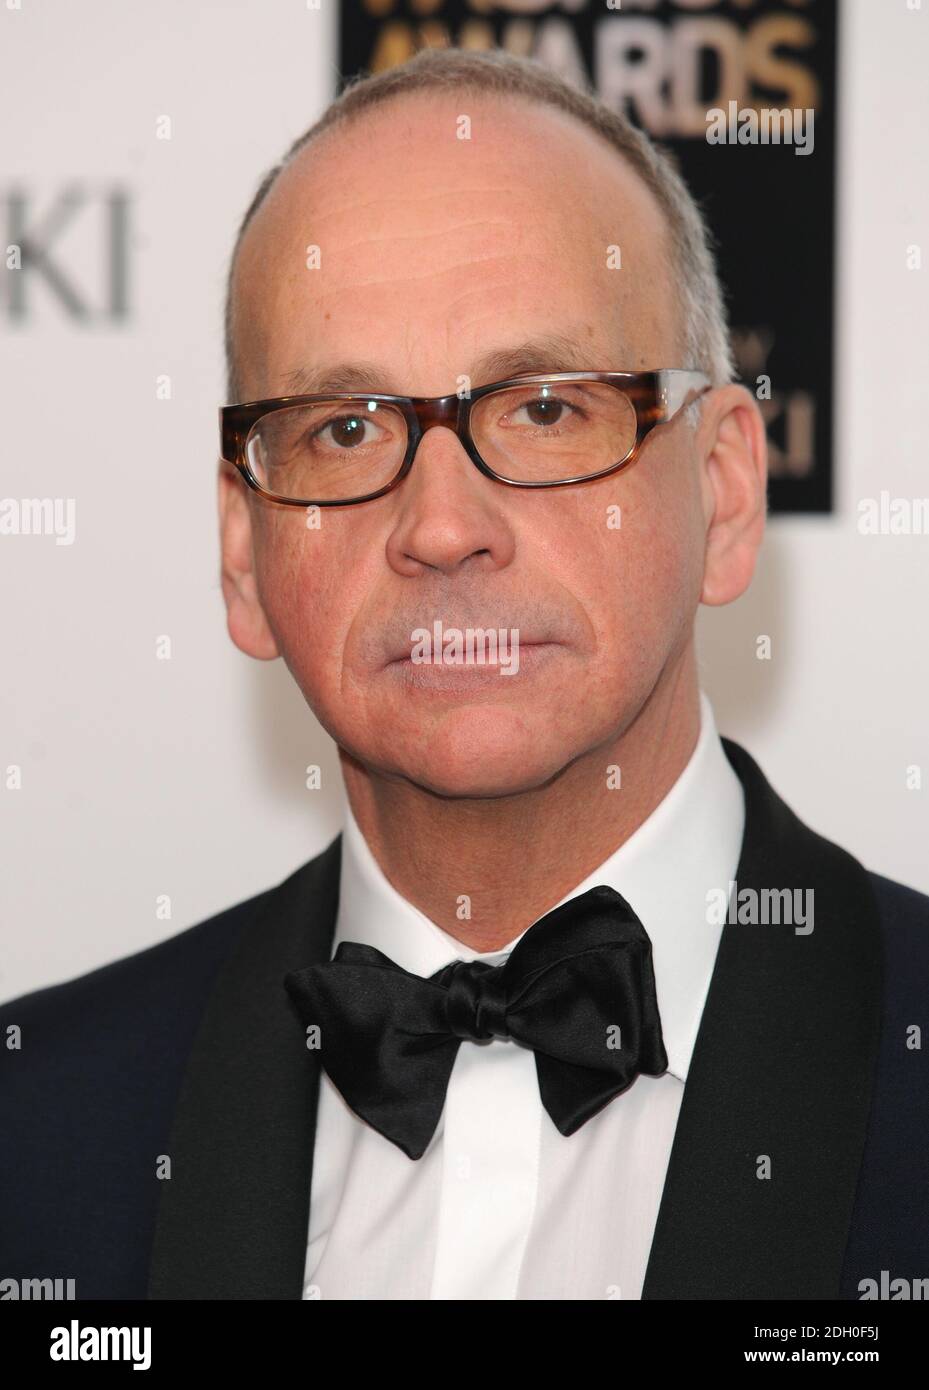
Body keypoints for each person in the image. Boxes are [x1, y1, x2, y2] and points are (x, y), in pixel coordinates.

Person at [2, 46, 926, 1303]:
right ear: (241, 551)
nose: (441, 525)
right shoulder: (36, 1130)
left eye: (544, 408)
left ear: (720, 494)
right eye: (343, 429)